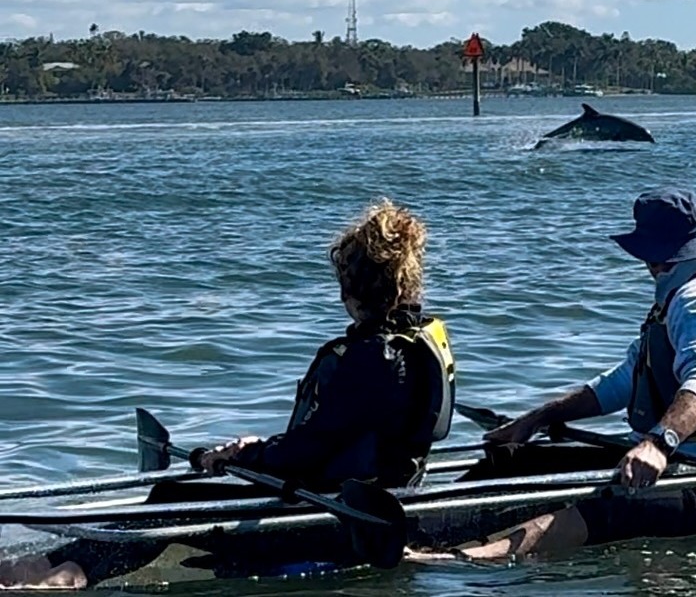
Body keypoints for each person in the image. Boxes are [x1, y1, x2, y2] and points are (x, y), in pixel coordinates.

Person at [0, 199, 456, 590]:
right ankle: (54, 562)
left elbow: (308, 452)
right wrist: (257, 451)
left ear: (352, 289)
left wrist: (246, 456)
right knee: (172, 496)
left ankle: (65, 574)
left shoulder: (374, 358)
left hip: (331, 520)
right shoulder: (411, 344)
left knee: (170, 499)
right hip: (360, 500)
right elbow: (329, 442)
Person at [405, 186, 696, 562]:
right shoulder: (687, 287)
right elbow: (625, 381)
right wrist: (541, 418)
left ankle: (449, 560)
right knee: (508, 460)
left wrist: (659, 443)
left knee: (601, 509)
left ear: (654, 256)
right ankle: (413, 527)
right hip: (675, 461)